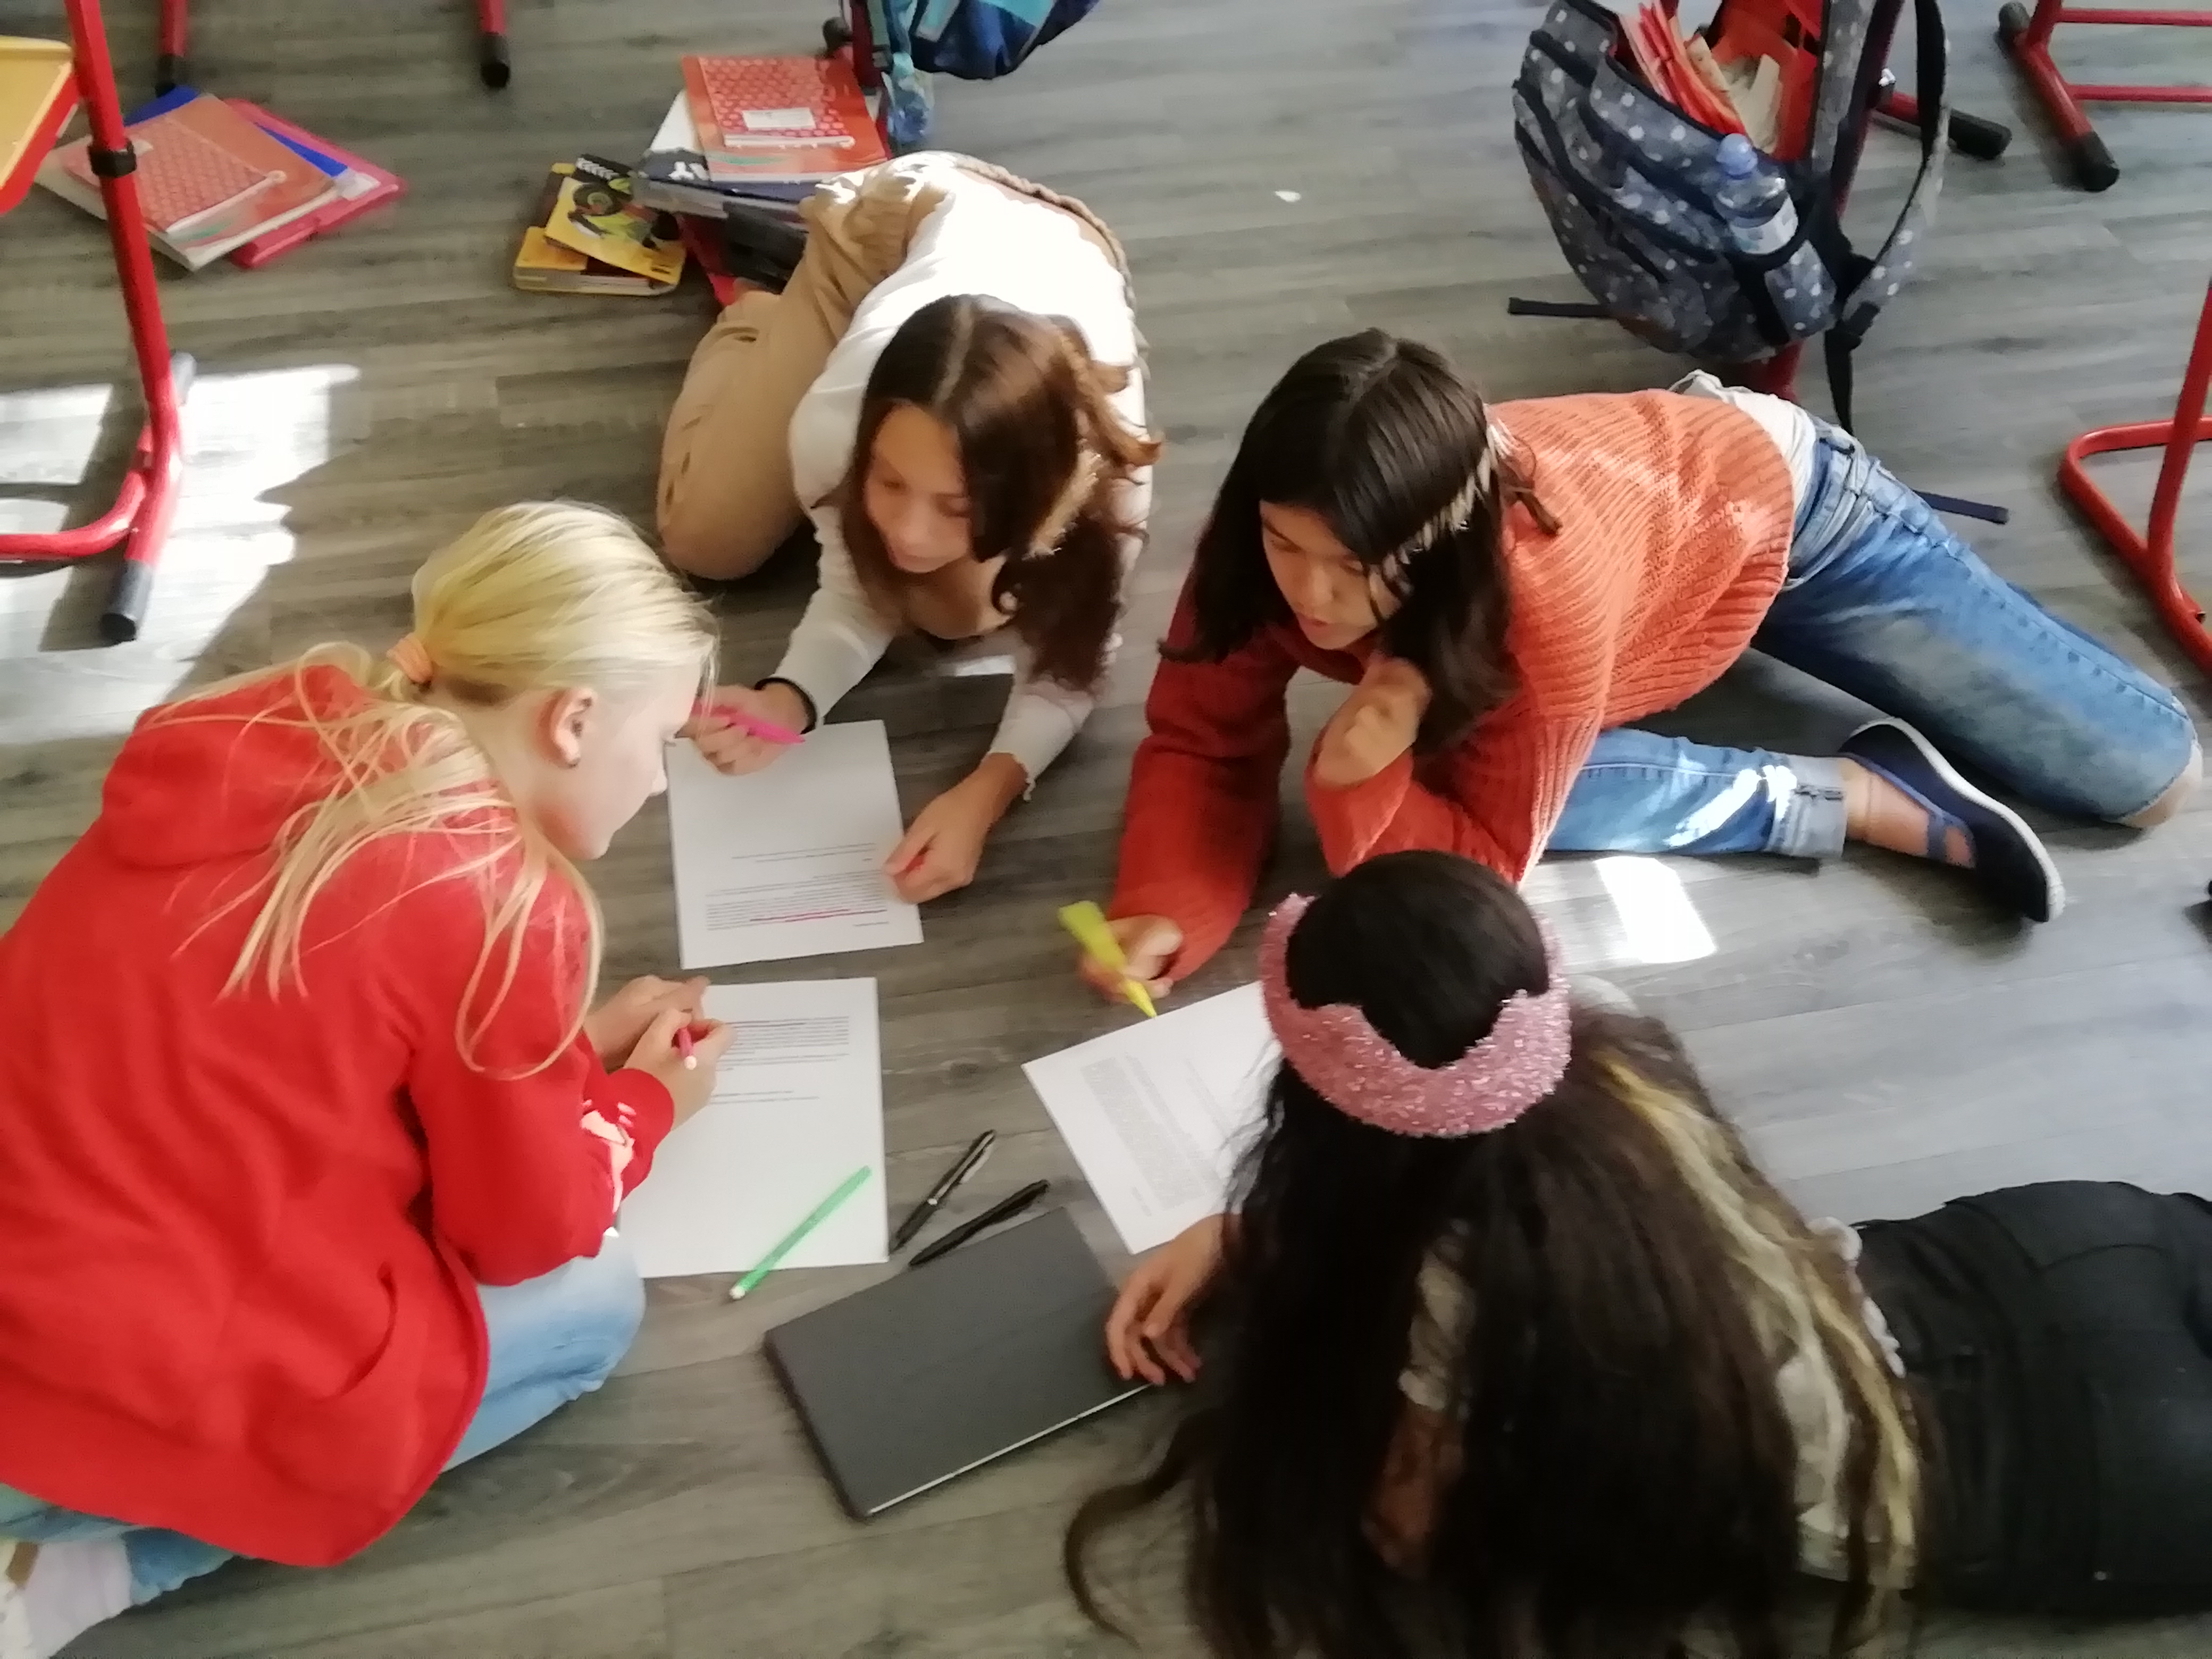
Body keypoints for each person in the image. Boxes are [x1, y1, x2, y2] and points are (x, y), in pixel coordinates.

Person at [1065, 851, 2212, 1659]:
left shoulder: (1455, 1292)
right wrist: (1241, 1233)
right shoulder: (1604, 1039)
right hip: (2041, 1250)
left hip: (2070, 1471)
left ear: (1335, 1123)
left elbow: (1408, 1531)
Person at [0, 503, 734, 1659]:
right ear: (575, 720)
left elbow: (336, 1037)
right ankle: (83, 1576)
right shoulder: (497, 901)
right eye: (665, 741)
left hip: (38, 1280)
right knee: (596, 1308)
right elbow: (522, 1233)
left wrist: (559, 1055)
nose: (657, 782)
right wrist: (642, 1108)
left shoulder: (260, 726)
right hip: (68, 1404)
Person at [1079, 331, 2198, 1000]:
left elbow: (1478, 876)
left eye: (1356, 569)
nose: (1313, 599)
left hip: (1793, 517)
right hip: (1650, 565)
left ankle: (1828, 784)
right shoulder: (1256, 538)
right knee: (1480, 778)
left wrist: (1356, 775)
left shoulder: (1539, 600)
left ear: (1441, 546)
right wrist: (1167, 904)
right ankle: (1853, 792)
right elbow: (1201, 735)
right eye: (1289, 549)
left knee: (2148, 782)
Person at [661, 152, 1158, 904]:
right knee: (707, 541)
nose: (909, 533)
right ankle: (761, 312)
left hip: (1066, 243)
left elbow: (1073, 663)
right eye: (889, 481)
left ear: (1037, 493)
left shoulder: (1110, 489)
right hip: (901, 222)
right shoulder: (834, 425)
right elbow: (852, 587)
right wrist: (789, 695)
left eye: (955, 506)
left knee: (961, 612)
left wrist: (988, 792)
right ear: (867, 439)